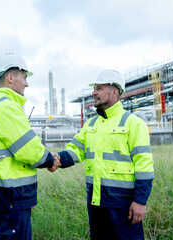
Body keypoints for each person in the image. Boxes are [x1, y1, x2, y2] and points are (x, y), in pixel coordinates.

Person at [55, 70, 154, 240]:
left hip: (123, 203)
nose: (94, 92)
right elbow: (76, 150)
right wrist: (55, 159)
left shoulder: (133, 124)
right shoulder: (91, 124)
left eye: (99, 88)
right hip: (95, 202)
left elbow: (144, 166)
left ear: (114, 91)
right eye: (94, 88)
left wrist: (140, 201)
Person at [0, 52, 60, 240]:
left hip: (12, 197)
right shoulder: (7, 107)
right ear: (11, 78)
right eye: (24, 78)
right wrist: (51, 159)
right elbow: (30, 151)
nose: (27, 83)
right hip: (11, 197)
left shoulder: (5, 106)